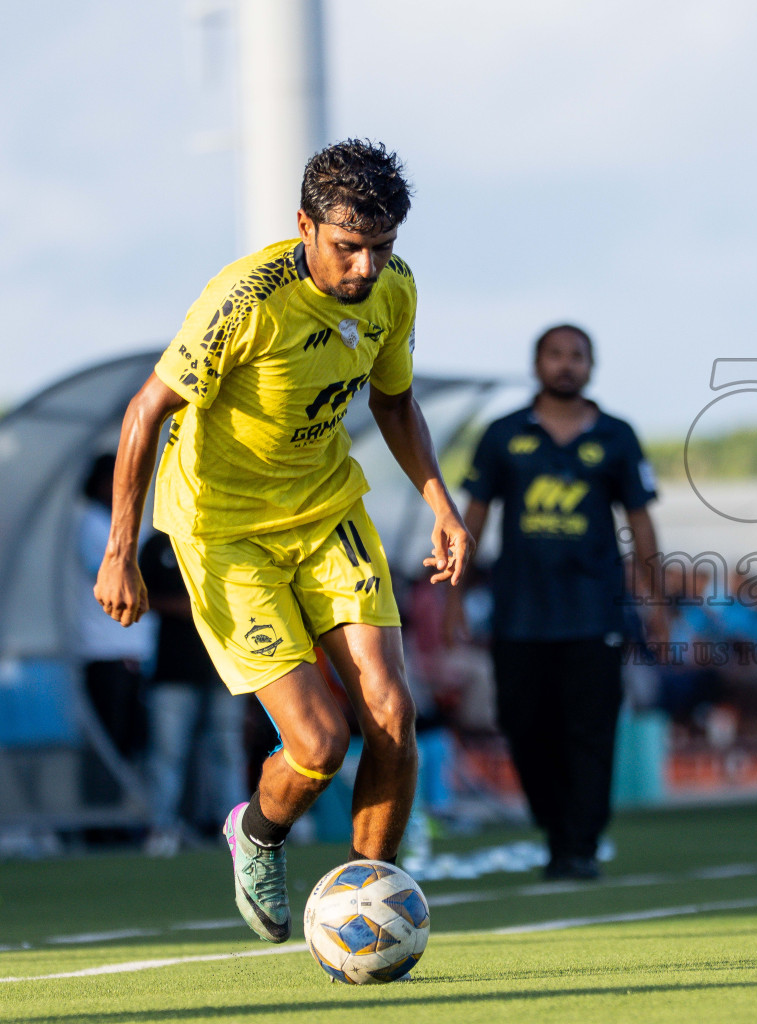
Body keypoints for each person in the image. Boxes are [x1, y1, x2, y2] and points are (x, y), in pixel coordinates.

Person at [92, 139, 473, 945]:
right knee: (319, 741)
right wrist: (121, 548)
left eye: (382, 247)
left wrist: (440, 501)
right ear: (304, 224)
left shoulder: (393, 291)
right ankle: (257, 834)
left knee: (392, 715)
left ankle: (370, 907)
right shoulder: (244, 301)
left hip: (325, 509)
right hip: (225, 533)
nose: (366, 268)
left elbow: (394, 404)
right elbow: (143, 411)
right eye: (348, 247)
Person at [458, 324, 661, 880]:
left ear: (591, 367)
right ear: (537, 363)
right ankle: (556, 827)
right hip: (519, 613)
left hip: (595, 614)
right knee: (523, 725)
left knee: (591, 731)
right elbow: (472, 516)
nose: (566, 365)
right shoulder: (503, 435)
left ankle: (580, 845)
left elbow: (640, 520)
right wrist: (454, 594)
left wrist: (657, 601)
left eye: (577, 356)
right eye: (556, 355)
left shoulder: (618, 436)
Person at [140, 529, 246, 856]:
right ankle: (162, 827)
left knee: (226, 750)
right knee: (168, 753)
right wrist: (195, 608)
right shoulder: (159, 544)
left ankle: (237, 831)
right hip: (174, 669)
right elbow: (140, 594)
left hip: (225, 668)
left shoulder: (230, 536)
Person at [76, 453, 156, 813]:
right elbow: (122, 584)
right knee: (108, 742)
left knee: (129, 741)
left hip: (132, 652)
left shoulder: (121, 526)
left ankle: (117, 817)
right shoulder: (93, 525)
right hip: (105, 652)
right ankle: (98, 822)